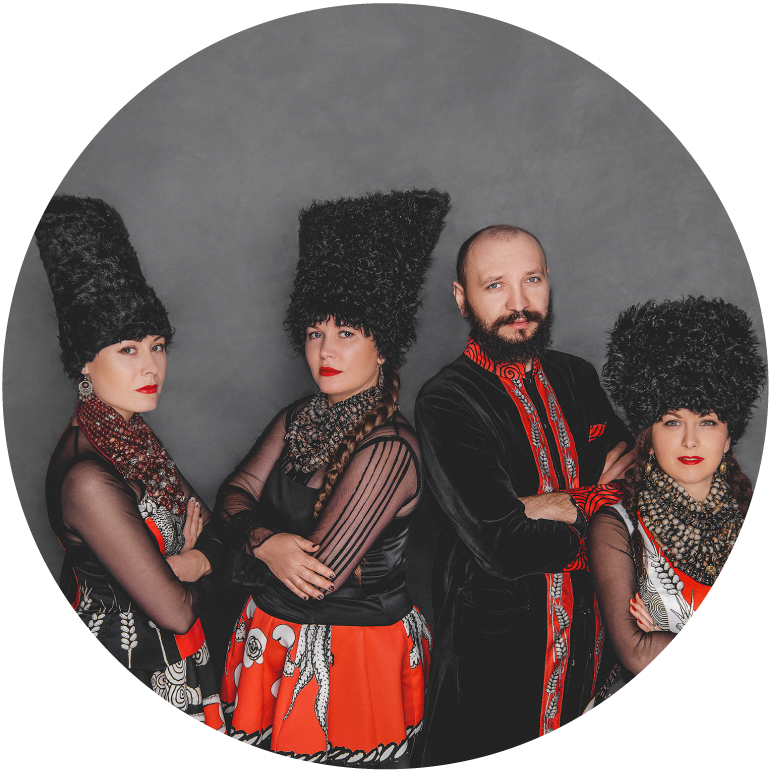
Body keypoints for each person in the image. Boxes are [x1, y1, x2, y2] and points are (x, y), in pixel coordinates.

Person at [216, 189, 450, 764]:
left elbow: (317, 576)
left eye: (347, 333)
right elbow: (232, 492)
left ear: (383, 346)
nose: (325, 350)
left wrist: (237, 544)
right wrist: (267, 543)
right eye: (315, 331)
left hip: (349, 661)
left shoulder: (391, 449)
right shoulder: (299, 415)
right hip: (274, 640)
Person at [414, 224, 637, 762]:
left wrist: (542, 506)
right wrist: (592, 501)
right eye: (495, 285)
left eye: (531, 279)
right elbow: (502, 544)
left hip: (592, 650)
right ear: (461, 298)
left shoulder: (578, 377)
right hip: (492, 661)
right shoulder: (446, 400)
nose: (520, 303)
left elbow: (636, 483)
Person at [36, 195, 226, 729]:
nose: (151, 366)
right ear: (84, 363)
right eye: (127, 349)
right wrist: (198, 558)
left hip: (173, 664)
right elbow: (176, 610)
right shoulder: (89, 477)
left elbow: (217, 529)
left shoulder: (131, 435)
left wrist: (193, 562)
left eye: (157, 345)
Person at [585, 296, 765, 706]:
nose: (689, 440)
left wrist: (665, 635)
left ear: (728, 435)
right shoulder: (616, 526)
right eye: (671, 421)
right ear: (648, 432)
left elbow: (652, 647)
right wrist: (648, 644)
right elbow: (635, 652)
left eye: (707, 420)